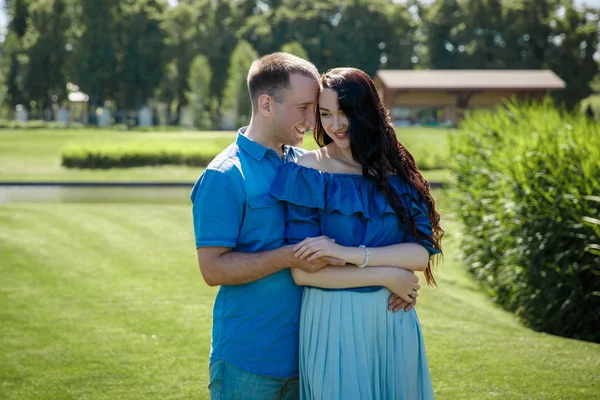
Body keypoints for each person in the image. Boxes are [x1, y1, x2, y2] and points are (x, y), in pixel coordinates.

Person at [190, 54, 423, 400]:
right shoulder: (224, 176)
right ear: (266, 104)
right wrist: (289, 256)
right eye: (304, 108)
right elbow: (213, 269)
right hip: (251, 357)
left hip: (313, 353)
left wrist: (386, 278)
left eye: (316, 109)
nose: (312, 121)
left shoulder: (309, 166)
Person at [270, 67, 444, 399]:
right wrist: (387, 276)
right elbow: (304, 274)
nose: (335, 124)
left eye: (344, 112)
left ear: (365, 111)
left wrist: (346, 254)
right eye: (325, 114)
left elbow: (420, 254)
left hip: (392, 319)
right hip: (331, 318)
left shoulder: (395, 172)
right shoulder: (308, 170)